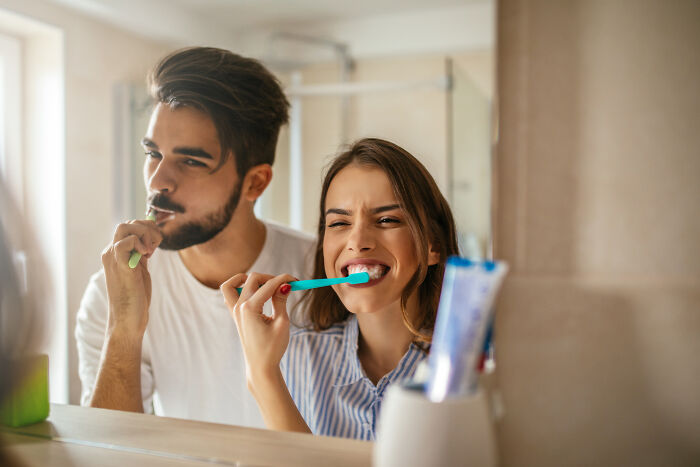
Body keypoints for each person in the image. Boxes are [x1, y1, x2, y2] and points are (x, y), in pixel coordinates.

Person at [75, 47, 314, 427]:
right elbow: (109, 450)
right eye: (153, 153)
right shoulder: (115, 290)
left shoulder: (321, 276)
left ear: (255, 182)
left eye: (190, 161)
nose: (157, 181)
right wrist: (124, 326)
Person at [221, 138, 459, 440]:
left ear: (432, 245)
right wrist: (263, 373)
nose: (357, 240)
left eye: (386, 219)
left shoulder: (467, 368)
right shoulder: (296, 358)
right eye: (338, 223)